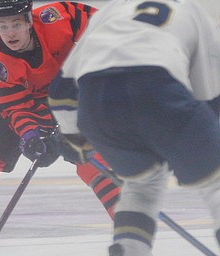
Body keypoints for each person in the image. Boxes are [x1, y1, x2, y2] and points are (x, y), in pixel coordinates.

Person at [0, 1, 121, 256]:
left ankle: (127, 229)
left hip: (70, 102)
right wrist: (30, 136)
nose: (10, 32)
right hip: (24, 113)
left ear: (29, 21)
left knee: (93, 163)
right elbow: (15, 109)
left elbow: (106, 24)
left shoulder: (56, 17)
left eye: (16, 24)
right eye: (2, 26)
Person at [48, 0, 220, 255]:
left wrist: (75, 137)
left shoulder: (110, 11)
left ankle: (129, 249)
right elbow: (210, 97)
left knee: (142, 186)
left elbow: (60, 92)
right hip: (157, 90)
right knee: (216, 183)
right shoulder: (194, 12)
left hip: (98, 105)